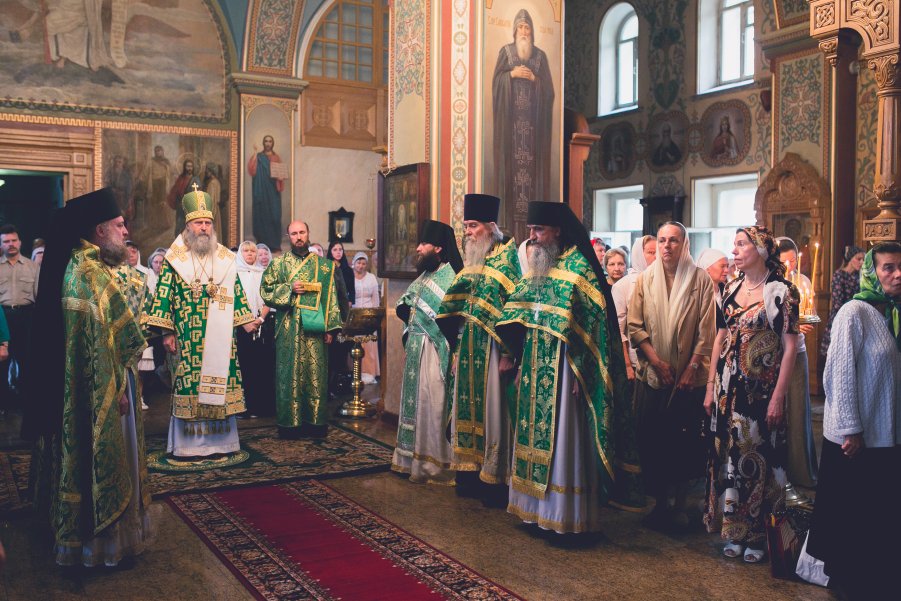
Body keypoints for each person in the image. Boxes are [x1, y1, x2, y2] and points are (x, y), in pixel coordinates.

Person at [27, 188, 152, 566]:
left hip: (90, 384)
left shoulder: (80, 267)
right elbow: (100, 345)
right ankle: (104, 542)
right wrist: (118, 390)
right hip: (105, 388)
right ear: (100, 230)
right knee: (102, 456)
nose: (125, 231)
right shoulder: (89, 274)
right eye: (119, 225)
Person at [496, 201, 625, 533]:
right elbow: (518, 314)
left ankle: (564, 516)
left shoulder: (579, 269)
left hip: (566, 371)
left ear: (557, 230)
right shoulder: (541, 268)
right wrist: (518, 358)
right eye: (531, 230)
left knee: (563, 440)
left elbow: (595, 328)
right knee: (531, 436)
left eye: (538, 230)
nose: (533, 237)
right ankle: (533, 512)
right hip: (535, 364)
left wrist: (585, 372)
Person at [804, 243, 900, 599]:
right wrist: (850, 429)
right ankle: (852, 584)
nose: (898, 274)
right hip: (855, 439)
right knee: (853, 519)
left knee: (877, 514)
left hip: (885, 433)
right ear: (871, 273)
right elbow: (839, 373)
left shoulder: (892, 312)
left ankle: (877, 579)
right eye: (889, 268)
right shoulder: (854, 312)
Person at [703, 226, 799, 563]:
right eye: (735, 244)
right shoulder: (730, 288)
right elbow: (719, 337)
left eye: (742, 244)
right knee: (730, 459)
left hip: (761, 391)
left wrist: (779, 397)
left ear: (761, 249)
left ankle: (759, 535)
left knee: (759, 461)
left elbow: (790, 347)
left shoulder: (782, 292)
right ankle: (734, 530)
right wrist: (710, 385)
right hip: (728, 389)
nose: (735, 250)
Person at [143, 188, 257, 458]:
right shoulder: (174, 258)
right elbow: (164, 295)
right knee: (189, 383)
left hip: (221, 334)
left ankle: (222, 443)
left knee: (221, 382)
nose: (204, 228)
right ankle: (188, 445)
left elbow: (236, 289)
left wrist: (246, 321)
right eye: (198, 223)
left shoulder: (224, 257)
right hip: (187, 333)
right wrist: (167, 332)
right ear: (188, 226)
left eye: (207, 222)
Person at [627, 223, 715, 529]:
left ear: (684, 244)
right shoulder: (645, 280)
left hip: (688, 378)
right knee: (655, 441)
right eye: (662, 240)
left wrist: (692, 367)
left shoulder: (700, 279)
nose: (666, 246)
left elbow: (707, 329)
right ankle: (660, 503)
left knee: (684, 444)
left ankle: (681, 504)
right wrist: (655, 362)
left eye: (673, 240)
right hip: (654, 375)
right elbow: (635, 326)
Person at [436, 193, 521, 498]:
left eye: (473, 226)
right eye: (466, 227)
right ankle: (468, 474)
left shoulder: (507, 261)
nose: (468, 232)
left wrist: (509, 353)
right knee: (467, 411)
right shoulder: (473, 261)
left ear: (490, 227)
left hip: (494, 351)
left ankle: (493, 479)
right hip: (469, 347)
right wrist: (457, 351)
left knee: (493, 412)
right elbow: (457, 310)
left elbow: (514, 311)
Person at [392, 220, 464, 484]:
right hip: (416, 350)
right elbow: (407, 306)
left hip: (436, 351)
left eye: (423, 244)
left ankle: (435, 464)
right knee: (417, 404)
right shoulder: (424, 276)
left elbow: (455, 322)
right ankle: (411, 460)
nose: (418, 248)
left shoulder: (451, 277)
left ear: (439, 248)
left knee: (433, 404)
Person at [261, 221, 343, 438]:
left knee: (315, 374)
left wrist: (330, 329)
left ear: (308, 234)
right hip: (288, 327)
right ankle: (290, 424)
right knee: (289, 375)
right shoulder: (279, 264)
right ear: (289, 236)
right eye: (294, 233)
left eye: (302, 232)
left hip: (316, 328)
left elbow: (331, 297)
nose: (298, 237)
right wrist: (289, 288)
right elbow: (265, 290)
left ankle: (315, 423)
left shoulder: (324, 266)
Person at [491, 9, 554, 242]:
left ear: (532, 31)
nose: (524, 32)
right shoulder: (506, 52)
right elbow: (496, 85)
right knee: (510, 184)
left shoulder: (540, 57)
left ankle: (535, 233)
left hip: (533, 139)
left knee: (532, 185)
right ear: (515, 30)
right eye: (521, 27)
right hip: (510, 135)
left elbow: (550, 92)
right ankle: (508, 234)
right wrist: (511, 75)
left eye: (527, 28)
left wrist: (535, 80)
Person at [608, 235, 657, 510]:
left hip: (655, 363)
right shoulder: (624, 285)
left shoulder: (659, 280)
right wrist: (627, 364)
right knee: (632, 422)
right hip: (633, 364)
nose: (655, 255)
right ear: (640, 254)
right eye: (650, 251)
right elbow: (620, 329)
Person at [776, 237, 818, 488]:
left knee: (798, 410)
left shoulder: (802, 282)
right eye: (784, 262)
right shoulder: (769, 284)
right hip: (774, 354)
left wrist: (803, 324)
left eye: (793, 260)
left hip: (798, 351)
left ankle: (800, 470)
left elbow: (809, 311)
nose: (790, 266)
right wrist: (792, 325)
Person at [0, 224, 38, 417]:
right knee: (1, 363)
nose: (11, 244)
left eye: (14, 240)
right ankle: (3, 404)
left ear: (20, 242)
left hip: (26, 317)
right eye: (6, 241)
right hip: (2, 317)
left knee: (27, 361)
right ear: (1, 245)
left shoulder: (32, 267)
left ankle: (27, 404)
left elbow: (39, 297)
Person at [235, 241, 272, 419]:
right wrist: (245, 323)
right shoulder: (234, 274)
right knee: (243, 367)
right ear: (240, 254)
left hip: (261, 325)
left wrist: (260, 319)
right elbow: (232, 300)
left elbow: (268, 300)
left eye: (253, 251)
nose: (250, 254)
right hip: (239, 327)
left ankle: (260, 406)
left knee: (260, 367)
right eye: (246, 251)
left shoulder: (263, 273)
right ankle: (243, 407)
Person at [820, 245, 865, 357]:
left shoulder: (860, 277)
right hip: (841, 315)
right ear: (850, 259)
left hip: (858, 315)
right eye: (858, 259)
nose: (862, 262)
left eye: (863, 259)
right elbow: (837, 302)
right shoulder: (839, 275)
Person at [247, 135, 284, 249]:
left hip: (273, 193)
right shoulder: (259, 156)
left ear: (273, 143)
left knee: (274, 216)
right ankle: (262, 243)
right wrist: (255, 153)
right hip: (261, 193)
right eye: (266, 141)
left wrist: (281, 177)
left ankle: (274, 244)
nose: (268, 143)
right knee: (262, 216)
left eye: (270, 141)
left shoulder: (276, 158)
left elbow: (281, 174)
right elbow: (252, 170)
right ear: (263, 143)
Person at [352, 252, 380, 384]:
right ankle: (354, 373)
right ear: (354, 263)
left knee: (369, 345)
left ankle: (369, 372)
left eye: (363, 263)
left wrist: (375, 317)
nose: (361, 266)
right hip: (354, 315)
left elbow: (375, 298)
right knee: (355, 343)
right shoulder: (349, 276)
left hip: (368, 316)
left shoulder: (371, 277)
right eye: (358, 263)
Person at [167, 159, 201, 236]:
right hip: (180, 206)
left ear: (193, 168)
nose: (189, 168)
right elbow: (175, 190)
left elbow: (199, 193)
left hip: (191, 206)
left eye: (191, 166)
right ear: (184, 167)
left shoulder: (196, 179)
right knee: (180, 225)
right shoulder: (181, 178)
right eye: (187, 166)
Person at [106, 155, 135, 220]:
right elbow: (107, 185)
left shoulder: (126, 175)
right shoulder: (111, 174)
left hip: (123, 199)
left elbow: (129, 190)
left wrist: (125, 206)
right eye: (116, 162)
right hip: (113, 199)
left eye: (119, 162)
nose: (117, 164)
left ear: (123, 163)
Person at [203, 162, 225, 237]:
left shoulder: (212, 183)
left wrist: (209, 214)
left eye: (208, 170)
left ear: (211, 171)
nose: (206, 172)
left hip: (212, 210)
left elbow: (210, 200)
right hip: (216, 209)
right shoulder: (217, 182)